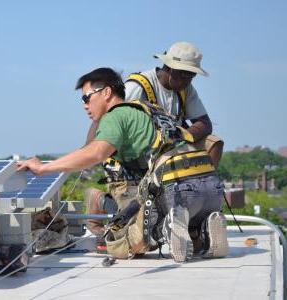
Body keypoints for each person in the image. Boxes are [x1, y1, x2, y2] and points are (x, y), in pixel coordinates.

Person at [17, 67, 228, 262]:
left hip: (177, 192)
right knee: (176, 220)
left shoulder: (115, 116)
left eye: (86, 97)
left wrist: (43, 168)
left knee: (119, 244)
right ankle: (202, 232)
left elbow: (96, 152)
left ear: (106, 92)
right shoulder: (149, 108)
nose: (84, 105)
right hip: (210, 188)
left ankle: (164, 228)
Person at [84, 42, 224, 250]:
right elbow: (104, 120)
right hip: (131, 165)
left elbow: (204, 123)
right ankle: (100, 199)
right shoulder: (137, 88)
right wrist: (91, 152)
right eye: (184, 75)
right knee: (140, 236)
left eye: (191, 76)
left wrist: (182, 134)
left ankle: (196, 201)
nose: (188, 80)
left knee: (213, 143)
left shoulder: (185, 90)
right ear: (169, 69)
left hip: (163, 158)